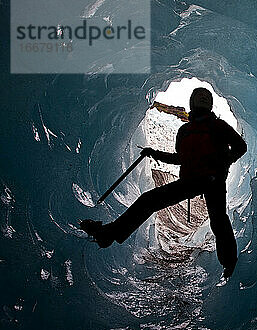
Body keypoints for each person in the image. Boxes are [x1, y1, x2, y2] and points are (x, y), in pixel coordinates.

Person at [80, 88, 247, 278]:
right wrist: (154, 153)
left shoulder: (203, 128)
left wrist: (222, 163)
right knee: (215, 219)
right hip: (201, 181)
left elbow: (236, 148)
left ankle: (229, 265)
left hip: (203, 181)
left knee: (213, 219)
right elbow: (184, 158)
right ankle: (108, 234)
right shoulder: (198, 129)